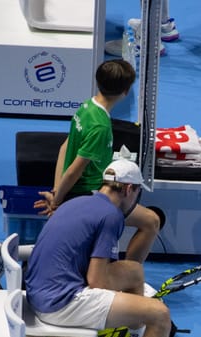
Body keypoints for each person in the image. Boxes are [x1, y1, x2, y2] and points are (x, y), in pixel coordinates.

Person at [26, 159, 193, 337]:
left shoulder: (79, 201)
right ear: (129, 189)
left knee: (134, 272)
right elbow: (97, 280)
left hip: (39, 292)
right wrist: (136, 304)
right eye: (138, 193)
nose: (136, 201)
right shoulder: (112, 216)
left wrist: (129, 292)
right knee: (159, 314)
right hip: (59, 303)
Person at [34, 59, 161, 264]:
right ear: (126, 91)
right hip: (89, 194)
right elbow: (75, 170)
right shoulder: (100, 127)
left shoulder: (86, 107)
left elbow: (64, 149)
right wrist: (58, 202)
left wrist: (57, 193)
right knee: (151, 221)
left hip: (72, 192)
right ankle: (129, 275)